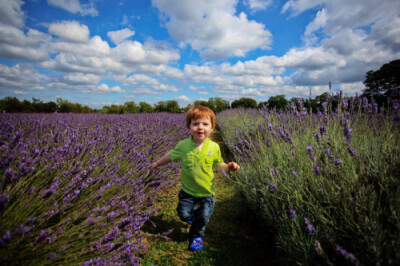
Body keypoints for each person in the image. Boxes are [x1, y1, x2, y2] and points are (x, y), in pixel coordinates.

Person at [149, 105, 240, 252]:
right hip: (187, 192)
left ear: (212, 127)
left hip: (207, 193)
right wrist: (157, 163)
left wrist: (229, 167)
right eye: (195, 124)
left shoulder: (214, 147)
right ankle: (191, 218)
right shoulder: (183, 145)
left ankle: (196, 237)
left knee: (203, 219)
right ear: (188, 126)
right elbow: (171, 156)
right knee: (184, 215)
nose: (200, 127)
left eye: (205, 124)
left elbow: (219, 164)